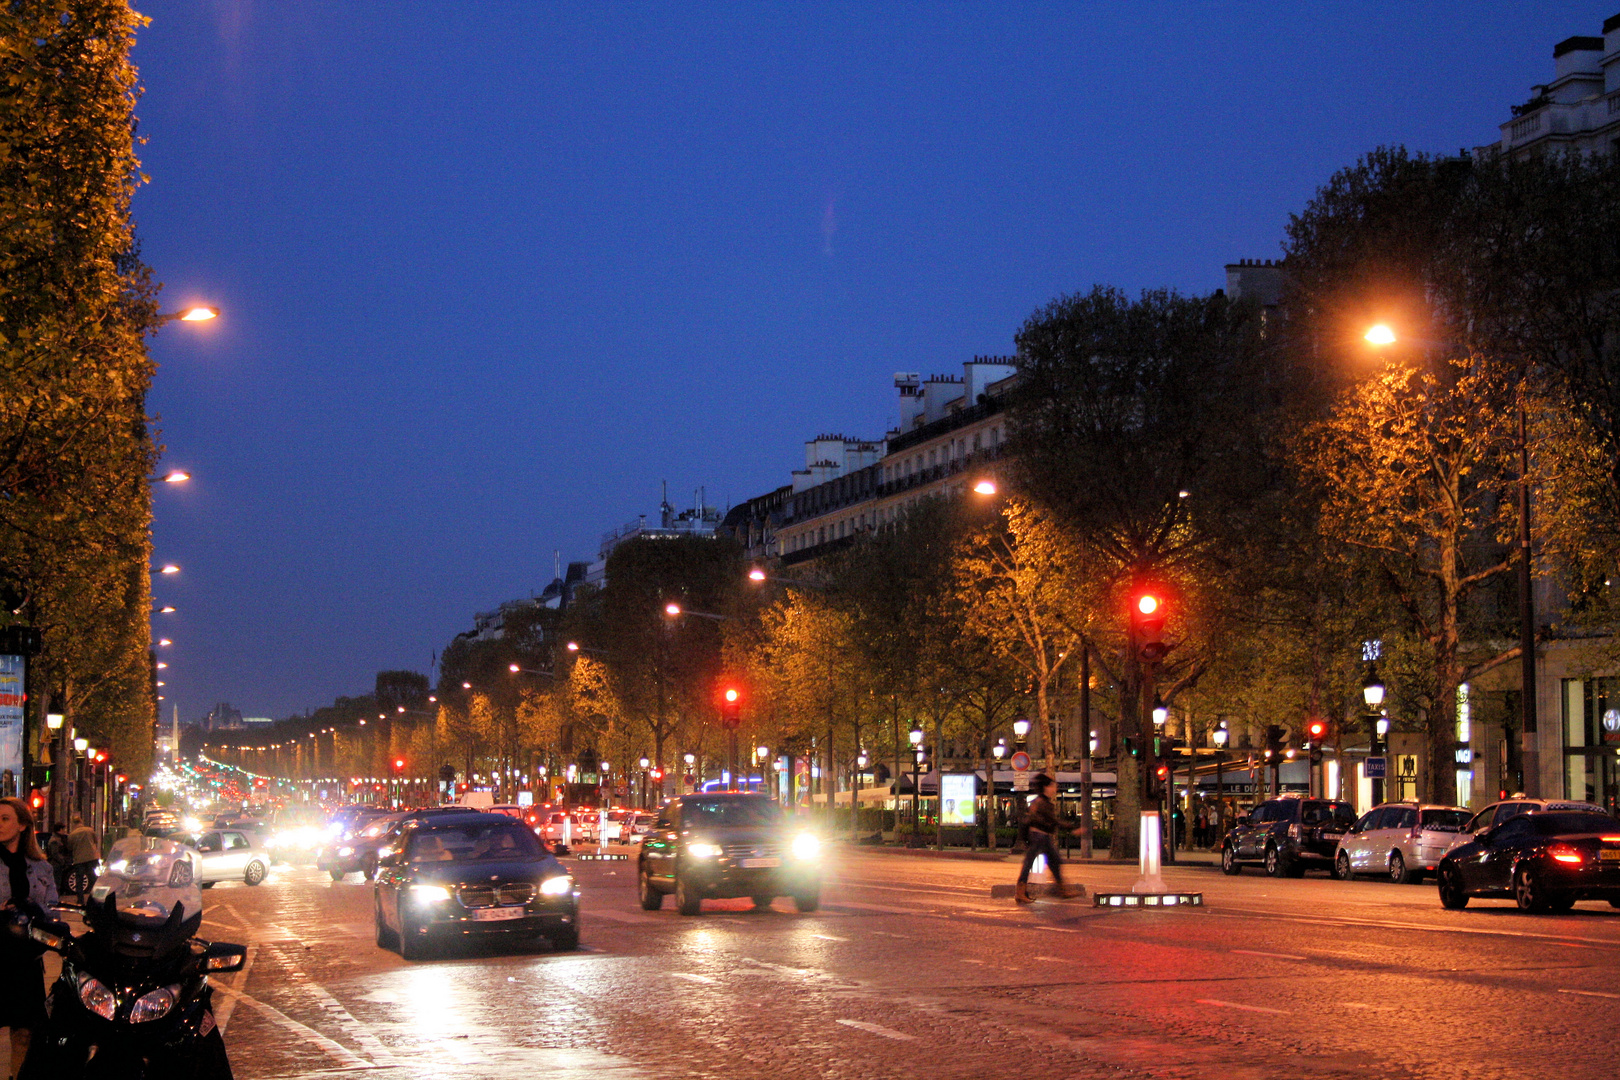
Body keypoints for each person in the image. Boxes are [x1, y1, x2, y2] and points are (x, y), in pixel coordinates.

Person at [0, 796, 59, 1077]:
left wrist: (34, 909)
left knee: (24, 1032)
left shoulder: (41, 867)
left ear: (23, 825)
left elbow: (54, 912)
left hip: (25, 960)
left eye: (5, 819)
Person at [1014, 775, 1079, 904]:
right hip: (1038, 837)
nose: (1055, 788)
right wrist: (1072, 827)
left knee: (1054, 862)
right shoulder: (1042, 803)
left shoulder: (1041, 801)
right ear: (1046, 787)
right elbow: (1053, 821)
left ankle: (1062, 890)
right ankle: (1020, 892)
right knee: (1031, 863)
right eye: (1053, 786)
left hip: (1042, 836)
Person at [66, 816, 100, 904]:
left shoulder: (72, 835)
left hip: (79, 859)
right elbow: (95, 841)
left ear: (73, 823)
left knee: (79, 880)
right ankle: (98, 899)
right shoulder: (90, 830)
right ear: (81, 821)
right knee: (94, 879)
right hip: (92, 857)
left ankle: (80, 900)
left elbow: (69, 847)